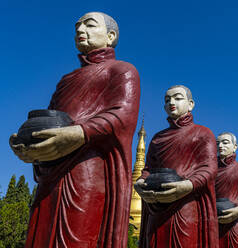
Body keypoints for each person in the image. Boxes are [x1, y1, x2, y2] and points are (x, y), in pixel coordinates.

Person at [9, 12, 140, 247]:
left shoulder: (122, 70)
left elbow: (123, 116)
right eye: (77, 27)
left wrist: (78, 133)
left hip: (88, 169)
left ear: (110, 36)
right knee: (42, 235)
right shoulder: (66, 80)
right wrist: (32, 145)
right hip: (52, 168)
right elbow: (50, 118)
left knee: (77, 237)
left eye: (89, 25)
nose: (80, 31)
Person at [135, 85, 218, 247]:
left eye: (178, 98)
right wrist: (140, 183)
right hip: (156, 205)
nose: (171, 102)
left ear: (191, 104)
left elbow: (209, 169)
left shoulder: (203, 134)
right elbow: (148, 170)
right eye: (167, 100)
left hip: (186, 204)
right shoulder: (158, 138)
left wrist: (186, 185)